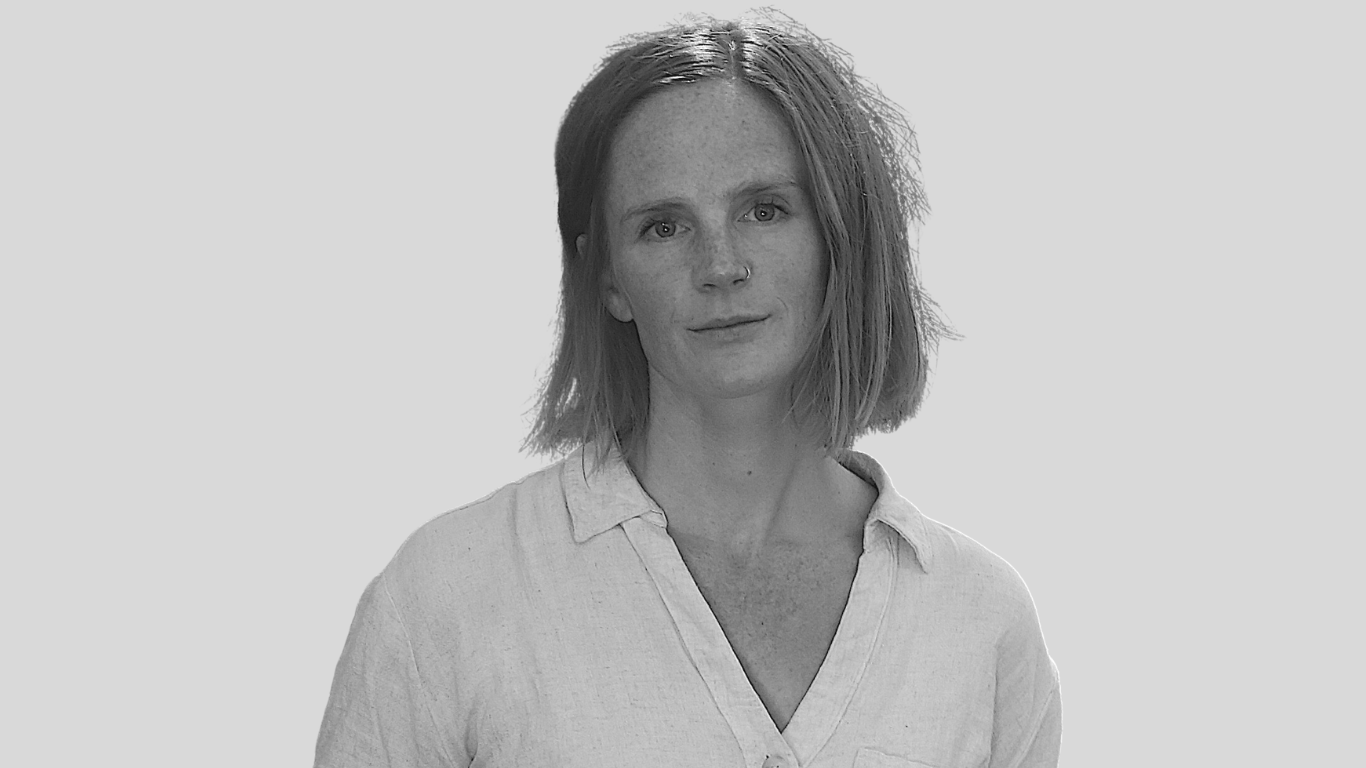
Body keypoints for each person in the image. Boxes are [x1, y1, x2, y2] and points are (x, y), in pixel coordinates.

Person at [316, 12, 1060, 768]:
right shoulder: (446, 598)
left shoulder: (981, 622)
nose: (721, 265)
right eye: (664, 226)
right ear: (609, 279)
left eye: (764, 210)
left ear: (841, 241)